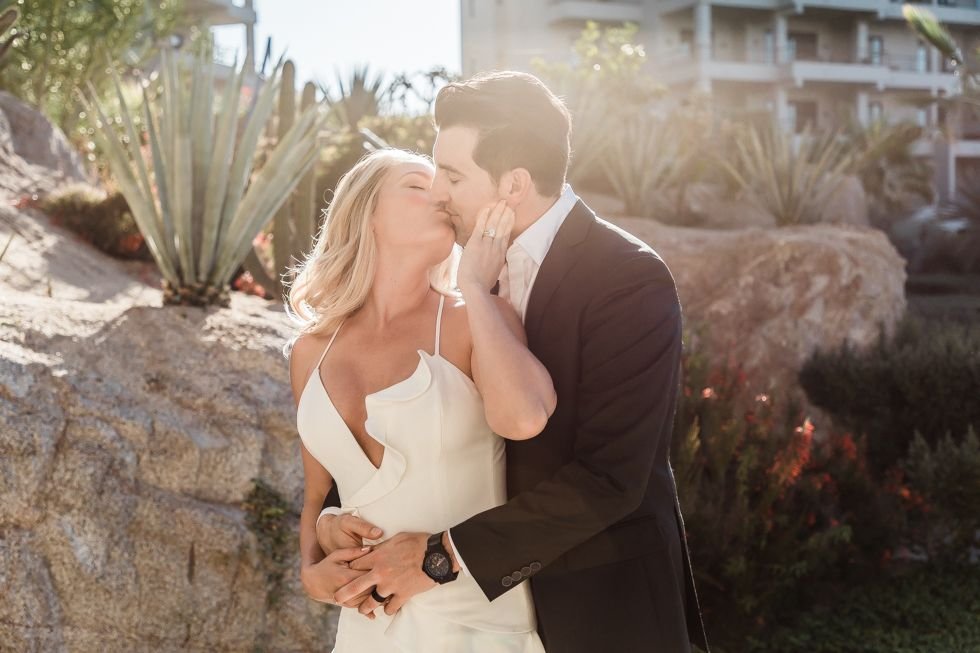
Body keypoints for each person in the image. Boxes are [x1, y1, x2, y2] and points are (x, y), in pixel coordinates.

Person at [319, 71, 711, 653]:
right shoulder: (452, 271)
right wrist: (334, 514)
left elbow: (611, 479)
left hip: (602, 609)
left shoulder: (629, 278)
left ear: (514, 184)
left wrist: (436, 558)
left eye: (452, 176)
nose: (438, 193)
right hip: (468, 620)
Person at [285, 147, 553, 652]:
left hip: (480, 629)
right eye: (416, 184)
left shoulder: (475, 319)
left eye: (446, 185)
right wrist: (310, 571)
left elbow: (524, 419)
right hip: (367, 627)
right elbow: (318, 498)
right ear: (365, 213)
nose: (441, 195)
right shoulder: (310, 352)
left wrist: (474, 284)